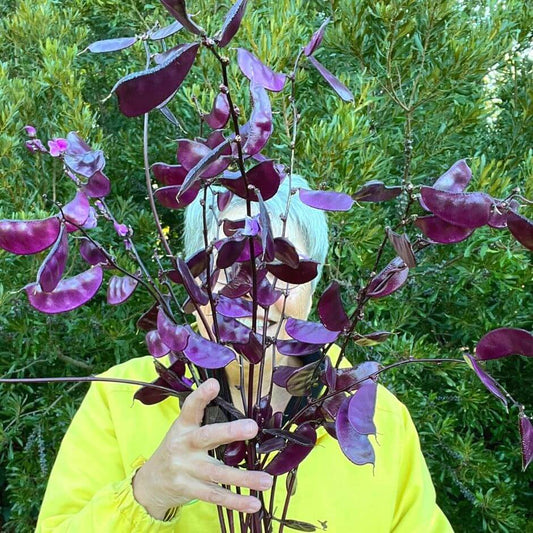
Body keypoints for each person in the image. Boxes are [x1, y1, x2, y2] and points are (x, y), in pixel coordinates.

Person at [36, 176, 453, 532]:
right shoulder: (118, 398)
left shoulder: (382, 415)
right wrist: (146, 491)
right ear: (194, 283)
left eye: (282, 267)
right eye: (230, 262)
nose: (255, 292)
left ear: (313, 287)